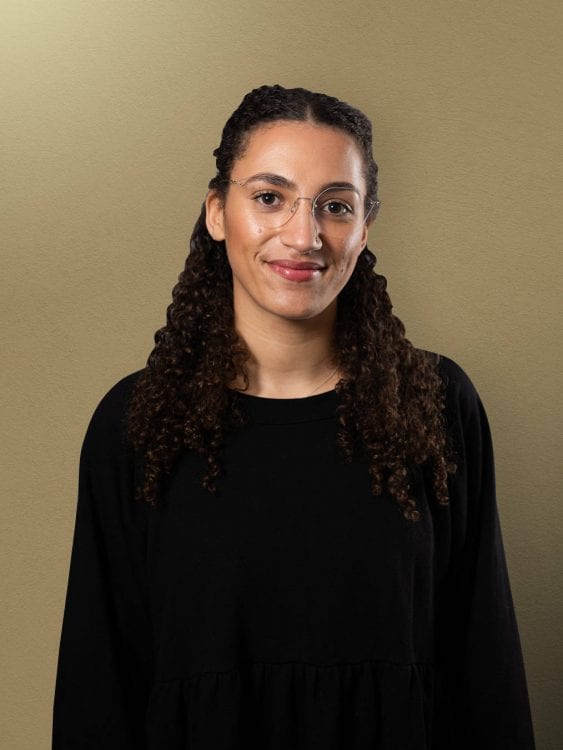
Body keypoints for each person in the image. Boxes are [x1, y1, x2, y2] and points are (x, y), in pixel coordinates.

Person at [52, 85, 535, 749]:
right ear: (217, 212)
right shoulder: (137, 422)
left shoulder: (433, 403)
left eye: (335, 206)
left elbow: (486, 668)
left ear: (364, 228)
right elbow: (98, 683)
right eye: (269, 197)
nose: (304, 236)